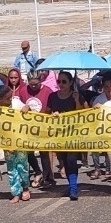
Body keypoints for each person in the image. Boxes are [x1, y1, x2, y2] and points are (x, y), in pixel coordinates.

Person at [46, 71, 85, 200]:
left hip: (73, 134)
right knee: (64, 162)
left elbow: (84, 114)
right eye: (59, 81)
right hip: (59, 135)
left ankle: (73, 188)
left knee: (71, 160)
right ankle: (71, 185)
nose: (61, 84)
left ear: (71, 83)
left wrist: (77, 101)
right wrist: (52, 115)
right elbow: (46, 114)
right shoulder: (52, 97)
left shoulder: (77, 96)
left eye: (64, 82)